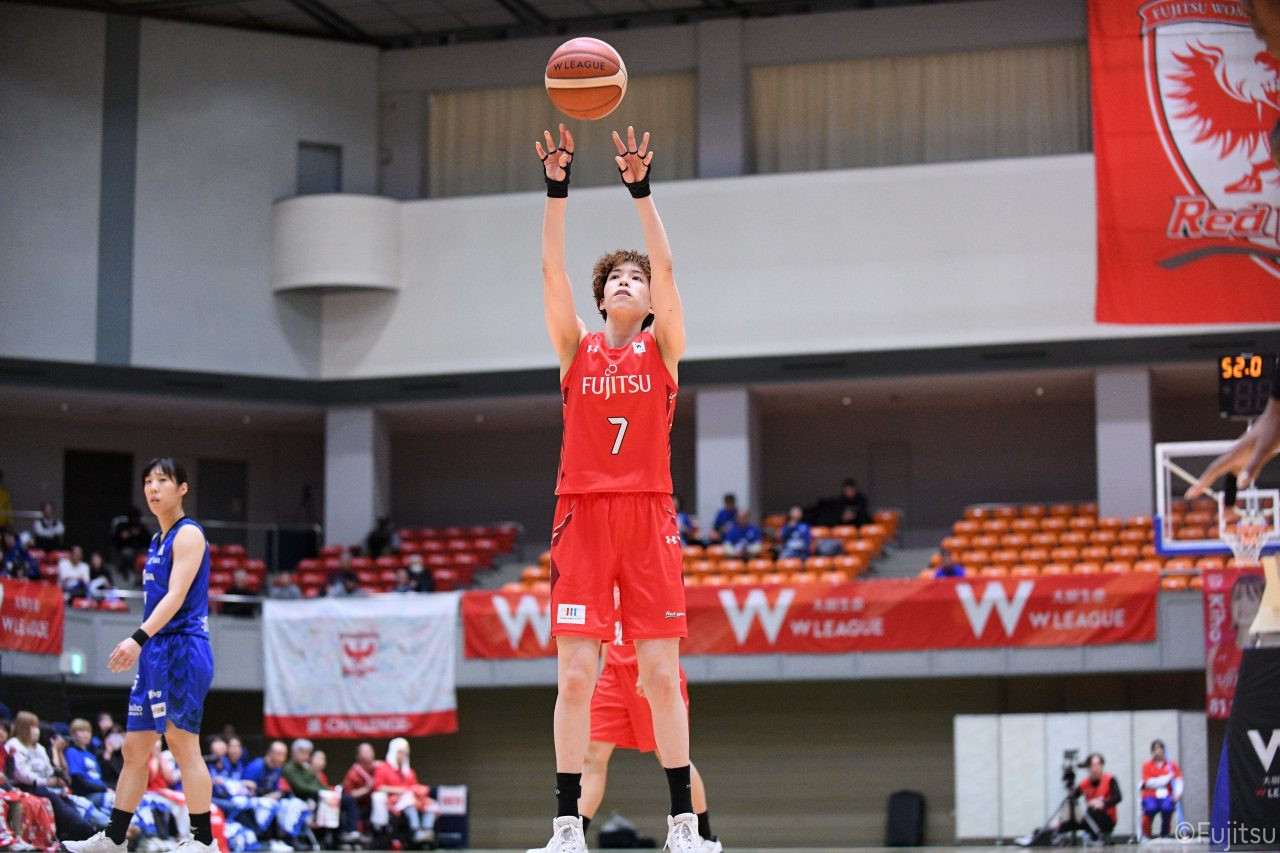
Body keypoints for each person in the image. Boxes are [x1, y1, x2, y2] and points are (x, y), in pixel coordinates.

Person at [535, 122, 700, 853]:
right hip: (582, 515)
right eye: (615, 278)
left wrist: (641, 190)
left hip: (648, 513)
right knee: (575, 677)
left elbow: (667, 264)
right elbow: (551, 271)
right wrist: (557, 188)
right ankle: (567, 824)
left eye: (636, 277)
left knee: (662, 675)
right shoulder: (576, 348)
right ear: (602, 298)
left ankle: (684, 823)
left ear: (651, 298)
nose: (627, 281)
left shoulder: (664, 348)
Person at [63, 457, 217, 853]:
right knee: (134, 749)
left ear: (182, 488)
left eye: (162, 480)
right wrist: (144, 643)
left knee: (182, 745)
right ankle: (114, 839)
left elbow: (176, 596)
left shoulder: (188, 534)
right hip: (155, 651)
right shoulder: (155, 541)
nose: (153, 488)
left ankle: (204, 842)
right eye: (148, 481)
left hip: (182, 647)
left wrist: (137, 638)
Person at [580, 625, 722, 853]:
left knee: (671, 756)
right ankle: (574, 838)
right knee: (592, 755)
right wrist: (603, 671)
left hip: (652, 665)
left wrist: (655, 667)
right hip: (613, 673)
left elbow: (670, 619)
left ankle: (706, 837)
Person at [4, 711, 96, 840]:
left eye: (37, 726)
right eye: (33, 726)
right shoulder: (13, 745)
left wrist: (55, 779)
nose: (36, 730)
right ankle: (87, 833)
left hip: (46, 786)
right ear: (24, 727)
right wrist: (47, 781)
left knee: (68, 801)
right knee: (55, 801)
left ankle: (85, 833)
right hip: (27, 786)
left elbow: (49, 770)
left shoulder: (39, 748)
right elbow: (22, 774)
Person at [1022, 753, 1121, 845]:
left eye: (1097, 765)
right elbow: (1072, 797)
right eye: (1092, 765)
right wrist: (1062, 819)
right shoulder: (1085, 783)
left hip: (1107, 819)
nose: (1095, 768)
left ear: (1102, 766)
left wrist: (1103, 803)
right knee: (1067, 822)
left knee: (1092, 810)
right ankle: (1038, 834)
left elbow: (1118, 797)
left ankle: (1098, 837)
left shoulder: (1109, 779)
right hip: (1089, 819)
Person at [281, 739, 361, 845]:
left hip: (320, 795)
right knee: (338, 802)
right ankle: (335, 837)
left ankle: (350, 833)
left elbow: (318, 784)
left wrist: (329, 792)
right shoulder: (289, 768)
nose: (305, 757)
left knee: (346, 799)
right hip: (306, 798)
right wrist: (321, 792)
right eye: (303, 752)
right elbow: (301, 787)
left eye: (307, 753)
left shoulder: (306, 768)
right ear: (294, 752)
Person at [373, 738, 437, 846]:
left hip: (412, 799)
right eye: (400, 752)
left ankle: (427, 830)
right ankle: (415, 831)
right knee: (409, 804)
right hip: (393, 802)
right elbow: (377, 787)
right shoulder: (383, 768)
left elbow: (414, 787)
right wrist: (398, 790)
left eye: (405, 753)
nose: (403, 756)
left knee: (432, 805)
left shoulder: (409, 772)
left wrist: (421, 791)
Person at [65, 719, 112, 808]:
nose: (86, 734)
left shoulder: (90, 755)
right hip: (88, 795)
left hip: (102, 792)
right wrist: (104, 789)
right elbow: (78, 781)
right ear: (73, 734)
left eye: (88, 731)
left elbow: (99, 778)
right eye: (82, 731)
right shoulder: (71, 752)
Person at [1140, 739, 1181, 840]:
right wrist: (1167, 778)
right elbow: (1149, 783)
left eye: (1160, 749)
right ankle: (1146, 835)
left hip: (1167, 794)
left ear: (1164, 750)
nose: (1158, 751)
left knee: (1167, 808)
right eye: (1155, 749)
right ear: (1152, 752)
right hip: (1150, 795)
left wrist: (1177, 794)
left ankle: (1164, 834)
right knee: (1150, 809)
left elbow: (1179, 780)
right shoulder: (1147, 766)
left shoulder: (1172, 765)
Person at [341, 743, 379, 827]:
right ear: (358, 756)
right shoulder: (354, 772)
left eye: (370, 751)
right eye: (365, 752)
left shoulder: (379, 768)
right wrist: (366, 789)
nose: (369, 754)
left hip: (374, 805)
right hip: (358, 806)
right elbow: (348, 794)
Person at [111, 508, 150, 585]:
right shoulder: (122, 526)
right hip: (126, 549)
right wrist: (124, 536)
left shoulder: (141, 527)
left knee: (147, 554)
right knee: (127, 553)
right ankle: (130, 574)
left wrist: (139, 534)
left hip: (140, 549)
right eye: (132, 518)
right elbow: (115, 542)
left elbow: (148, 540)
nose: (134, 520)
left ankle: (142, 576)